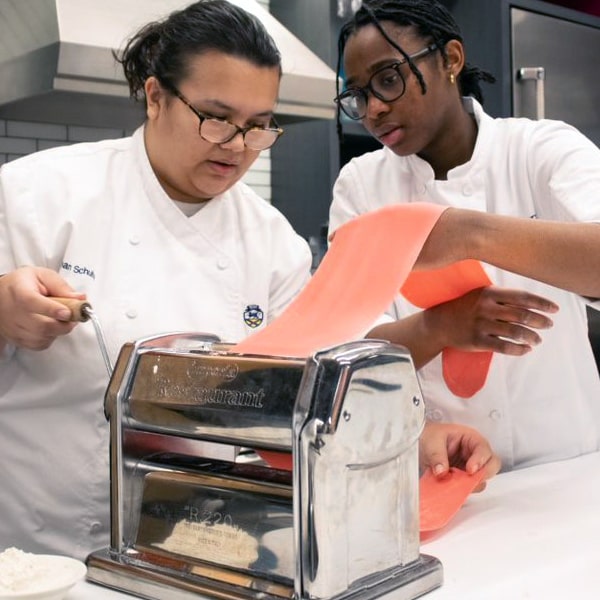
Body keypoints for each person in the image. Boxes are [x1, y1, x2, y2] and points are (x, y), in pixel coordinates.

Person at [0, 0, 498, 560]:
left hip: (198, 544)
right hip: (44, 548)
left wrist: (410, 442)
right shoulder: (38, 194)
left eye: (259, 126)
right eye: (217, 118)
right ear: (156, 96)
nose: (238, 146)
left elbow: (311, 380)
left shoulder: (269, 241)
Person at [330, 0, 600, 473]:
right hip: (446, 474)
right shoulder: (361, 186)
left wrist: (468, 233)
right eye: (357, 95)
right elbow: (346, 352)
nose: (373, 109)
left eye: (389, 79)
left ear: (451, 59)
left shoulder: (540, 149)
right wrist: (440, 326)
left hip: (565, 470)